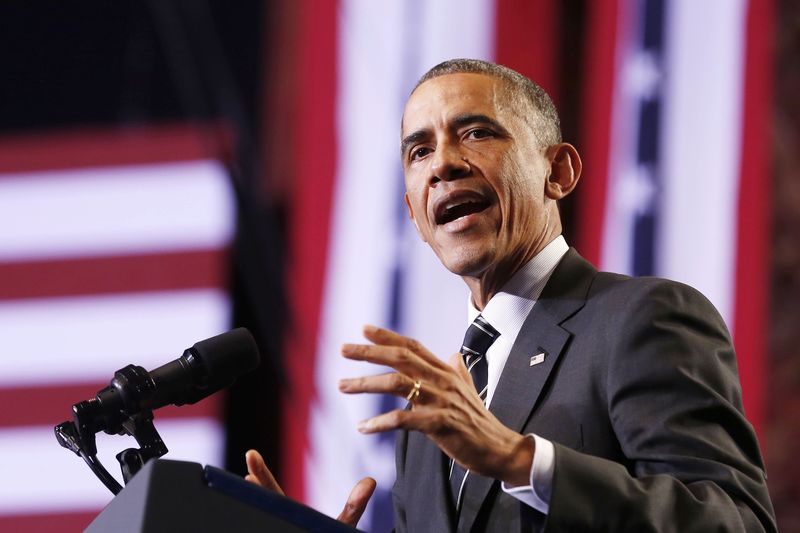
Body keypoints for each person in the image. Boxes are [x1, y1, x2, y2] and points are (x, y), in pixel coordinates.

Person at [246, 59, 776, 532]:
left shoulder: (641, 320)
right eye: (420, 150)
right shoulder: (434, 410)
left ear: (558, 172)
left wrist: (520, 459)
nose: (443, 165)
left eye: (476, 133)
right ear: (414, 213)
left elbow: (735, 522)